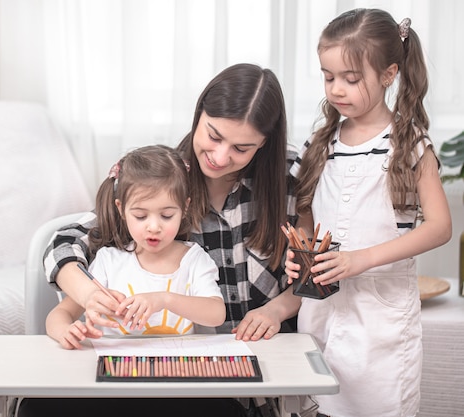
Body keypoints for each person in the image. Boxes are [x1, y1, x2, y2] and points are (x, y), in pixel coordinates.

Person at [21, 63, 302, 417]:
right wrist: (91, 297)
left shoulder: (289, 180)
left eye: (241, 148)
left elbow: (315, 271)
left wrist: (276, 309)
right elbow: (64, 243)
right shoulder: (166, 179)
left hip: (257, 374)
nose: (220, 157)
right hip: (165, 377)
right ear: (198, 114)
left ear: (264, 145)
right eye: (213, 136)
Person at [285, 9, 452, 417]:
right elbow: (304, 210)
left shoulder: (410, 143)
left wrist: (360, 259)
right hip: (321, 311)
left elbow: (440, 227)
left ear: (389, 74)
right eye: (328, 77)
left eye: (351, 79)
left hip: (381, 324)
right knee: (317, 403)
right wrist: (301, 248)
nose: (336, 89)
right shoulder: (321, 141)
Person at [46, 144, 226, 349]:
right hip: (117, 370)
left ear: (184, 208)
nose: (154, 227)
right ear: (121, 209)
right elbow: (60, 314)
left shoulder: (193, 259)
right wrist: (65, 331)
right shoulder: (109, 261)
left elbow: (216, 314)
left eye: (167, 216)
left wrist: (164, 299)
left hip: (177, 370)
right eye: (140, 216)